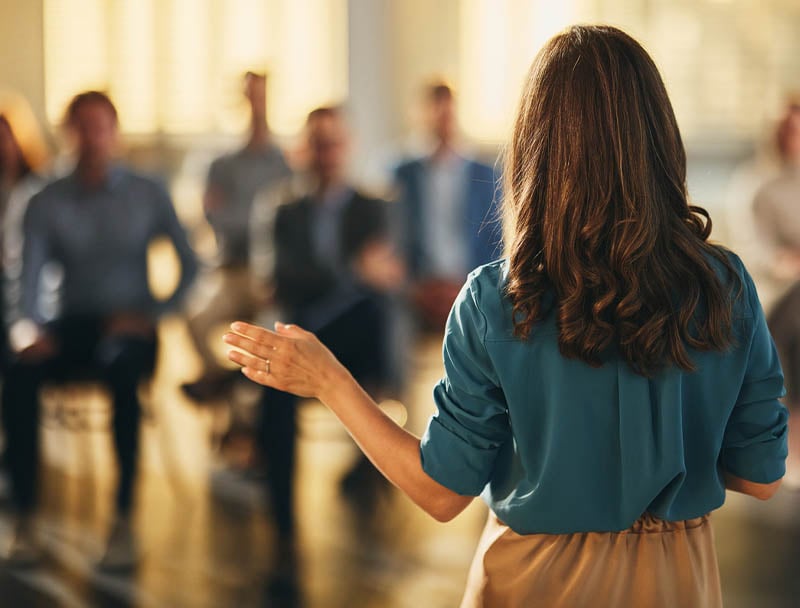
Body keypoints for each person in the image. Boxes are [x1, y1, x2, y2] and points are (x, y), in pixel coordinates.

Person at [224, 26, 787, 607]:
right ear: (660, 137)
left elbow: (442, 493)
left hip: (538, 580)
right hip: (681, 580)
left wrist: (328, 380)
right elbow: (761, 477)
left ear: (535, 145)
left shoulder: (498, 298)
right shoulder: (724, 285)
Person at [1, 91, 198, 569]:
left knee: (123, 370)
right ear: (66, 133)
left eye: (99, 126)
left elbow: (192, 265)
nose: (90, 138)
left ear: (115, 132)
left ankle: (122, 518)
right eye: (80, 127)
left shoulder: (148, 192)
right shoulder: (42, 198)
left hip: (130, 327)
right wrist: (24, 331)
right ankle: (24, 516)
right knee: (18, 373)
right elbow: (23, 280)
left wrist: (154, 311)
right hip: (66, 326)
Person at [248, 105, 402, 557]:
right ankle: (282, 521)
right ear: (303, 150)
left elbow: (387, 278)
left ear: (347, 147)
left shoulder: (375, 206)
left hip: (354, 336)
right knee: (280, 373)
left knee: (370, 309)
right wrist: (352, 270)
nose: (326, 153)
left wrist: (326, 277)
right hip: (299, 329)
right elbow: (274, 279)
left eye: (333, 143)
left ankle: (368, 461)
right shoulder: (280, 209)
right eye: (318, 144)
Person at [182, 72, 291, 402]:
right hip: (230, 272)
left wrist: (244, 219)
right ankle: (222, 381)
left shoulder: (285, 163)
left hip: (270, 277)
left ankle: (242, 407)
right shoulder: (220, 164)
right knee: (195, 319)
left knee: (267, 337)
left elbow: (287, 226)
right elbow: (215, 220)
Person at [393, 82, 501, 331]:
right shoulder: (400, 173)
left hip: (469, 281)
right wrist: (415, 286)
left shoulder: (485, 175)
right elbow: (394, 238)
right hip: (418, 286)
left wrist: (468, 284)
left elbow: (494, 238)